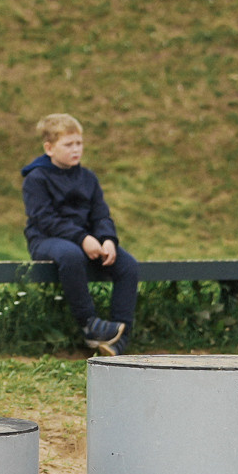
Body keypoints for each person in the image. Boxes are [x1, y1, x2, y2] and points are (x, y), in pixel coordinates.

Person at [21, 114, 139, 356]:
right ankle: (90, 325)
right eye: (68, 145)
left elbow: (101, 215)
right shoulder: (36, 179)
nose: (76, 150)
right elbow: (45, 219)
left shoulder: (88, 178)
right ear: (49, 148)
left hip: (87, 240)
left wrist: (108, 239)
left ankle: (118, 339)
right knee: (71, 255)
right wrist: (82, 238)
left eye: (79, 143)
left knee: (128, 265)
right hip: (46, 240)